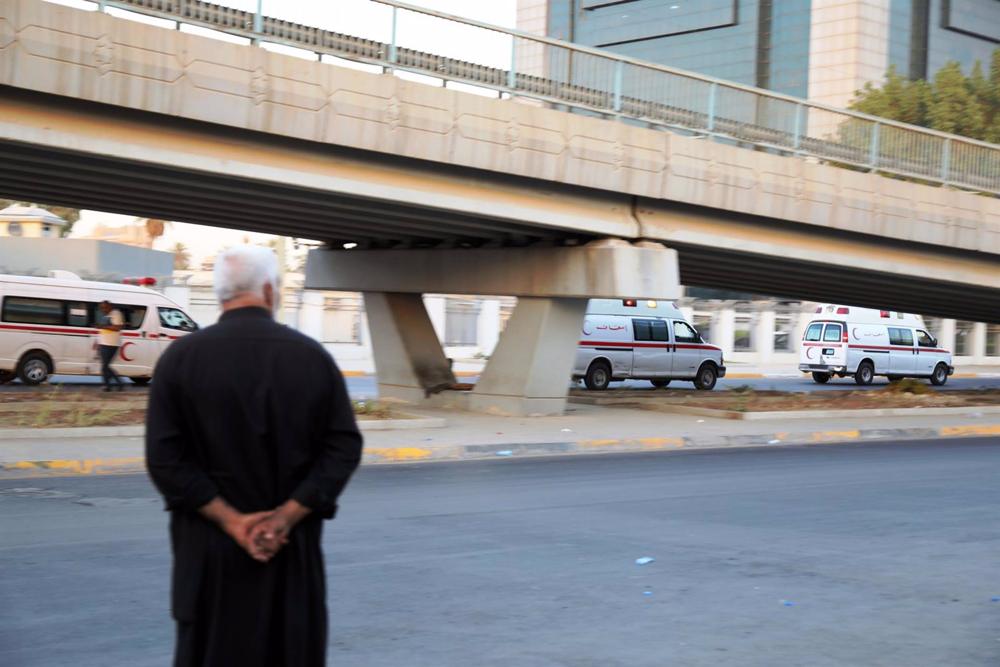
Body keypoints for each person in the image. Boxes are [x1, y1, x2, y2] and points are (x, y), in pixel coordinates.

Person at [146, 246, 363, 667]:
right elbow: (343, 448)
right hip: (289, 558)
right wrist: (285, 517)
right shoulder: (312, 358)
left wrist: (232, 521)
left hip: (208, 566)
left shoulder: (180, 360)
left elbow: (164, 460)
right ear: (268, 290)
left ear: (221, 295)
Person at [97, 300, 125, 392]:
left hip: (112, 344)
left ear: (110, 306)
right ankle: (109, 385)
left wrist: (103, 326)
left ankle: (112, 384)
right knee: (105, 366)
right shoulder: (105, 315)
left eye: (105, 307)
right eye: (101, 308)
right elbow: (102, 331)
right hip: (103, 343)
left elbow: (117, 327)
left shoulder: (116, 313)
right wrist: (97, 342)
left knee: (105, 366)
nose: (103, 309)